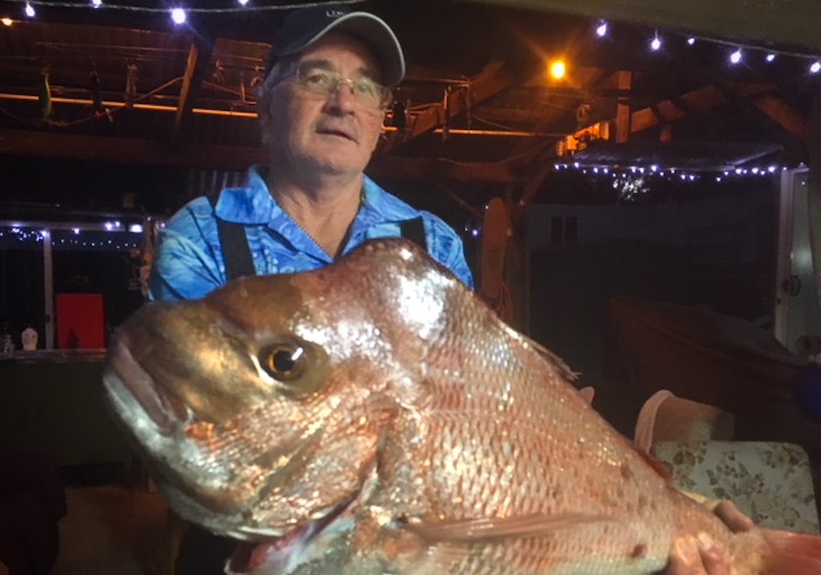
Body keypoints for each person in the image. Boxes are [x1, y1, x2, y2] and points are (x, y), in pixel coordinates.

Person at [147, 5, 747, 574]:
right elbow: (195, 417)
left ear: (382, 118)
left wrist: (676, 504)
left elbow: (488, 419)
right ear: (266, 104)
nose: (342, 101)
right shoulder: (203, 233)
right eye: (315, 76)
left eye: (365, 86)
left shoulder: (429, 241)